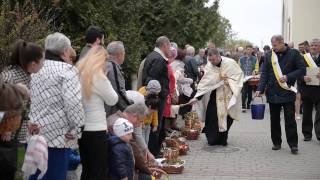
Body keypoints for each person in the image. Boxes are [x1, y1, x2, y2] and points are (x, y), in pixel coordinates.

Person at [28, 32, 85, 179]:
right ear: (65, 51)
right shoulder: (68, 71)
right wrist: (76, 128)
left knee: (34, 175)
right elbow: (73, 102)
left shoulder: (34, 70)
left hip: (34, 134)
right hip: (58, 137)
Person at [256, 35, 305, 155]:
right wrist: (260, 89)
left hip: (287, 91)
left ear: (282, 43)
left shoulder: (294, 54)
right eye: (272, 45)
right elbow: (265, 74)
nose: (273, 48)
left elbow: (302, 70)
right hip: (273, 92)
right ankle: (276, 143)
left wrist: (288, 77)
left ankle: (293, 144)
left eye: (275, 45)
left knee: (290, 120)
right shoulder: (269, 56)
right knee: (274, 120)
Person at [77, 46, 118, 179]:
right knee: (99, 170)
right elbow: (113, 99)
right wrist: (105, 76)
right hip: (97, 129)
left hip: (82, 128)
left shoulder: (78, 73)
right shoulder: (99, 77)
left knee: (87, 169)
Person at [190, 48, 244, 146]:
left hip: (229, 95)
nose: (212, 62)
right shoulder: (209, 66)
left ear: (219, 56)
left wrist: (229, 82)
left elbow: (239, 77)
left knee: (227, 118)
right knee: (211, 116)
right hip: (215, 95)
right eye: (210, 60)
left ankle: (223, 139)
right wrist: (197, 97)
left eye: (213, 60)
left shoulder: (230, 63)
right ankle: (212, 139)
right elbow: (205, 82)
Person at [142, 36, 171, 157]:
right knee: (155, 124)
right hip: (156, 97)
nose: (169, 49)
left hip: (155, 96)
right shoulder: (158, 59)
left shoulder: (153, 56)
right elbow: (153, 79)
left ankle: (153, 151)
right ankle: (154, 152)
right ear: (164, 45)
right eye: (169, 46)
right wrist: (160, 94)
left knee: (155, 124)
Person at [105, 41, 133, 116]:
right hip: (109, 113)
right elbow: (119, 91)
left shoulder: (106, 65)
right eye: (124, 53)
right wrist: (131, 108)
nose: (124, 55)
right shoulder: (113, 67)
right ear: (119, 55)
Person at [300, 38, 320, 142]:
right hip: (307, 89)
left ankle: (319, 134)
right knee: (307, 113)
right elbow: (298, 72)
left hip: (319, 90)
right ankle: (307, 134)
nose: (313, 47)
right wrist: (303, 77)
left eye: (316, 45)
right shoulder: (304, 58)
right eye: (312, 45)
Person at [138, 80, 161, 144]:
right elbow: (139, 111)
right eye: (156, 93)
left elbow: (155, 112)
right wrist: (141, 122)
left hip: (148, 124)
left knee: (146, 141)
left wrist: (155, 125)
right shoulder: (141, 96)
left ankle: (146, 153)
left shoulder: (154, 97)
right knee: (142, 142)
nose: (157, 94)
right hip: (141, 124)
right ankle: (143, 153)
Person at [239, 45, 257, 112]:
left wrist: (255, 71)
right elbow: (238, 68)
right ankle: (243, 106)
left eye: (250, 49)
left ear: (252, 50)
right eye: (248, 49)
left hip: (251, 78)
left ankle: (248, 104)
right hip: (243, 78)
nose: (249, 51)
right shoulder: (241, 59)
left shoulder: (255, 59)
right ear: (245, 50)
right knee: (244, 92)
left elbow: (256, 68)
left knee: (250, 93)